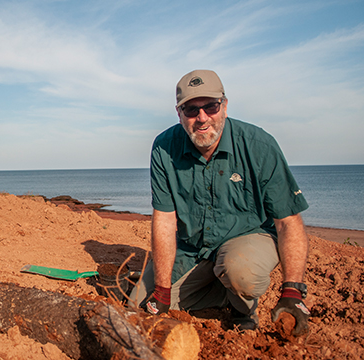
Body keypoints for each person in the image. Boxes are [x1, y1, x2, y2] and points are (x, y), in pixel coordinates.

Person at [128, 70, 311, 335]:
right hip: (193, 250)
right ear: (179, 113)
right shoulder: (163, 148)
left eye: (210, 107)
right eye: (191, 109)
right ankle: (220, 291)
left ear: (224, 106)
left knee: (240, 271)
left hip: (248, 240)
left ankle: (242, 307)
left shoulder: (259, 145)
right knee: (139, 306)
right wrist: (163, 290)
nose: (202, 118)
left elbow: (288, 223)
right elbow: (165, 221)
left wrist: (293, 291)